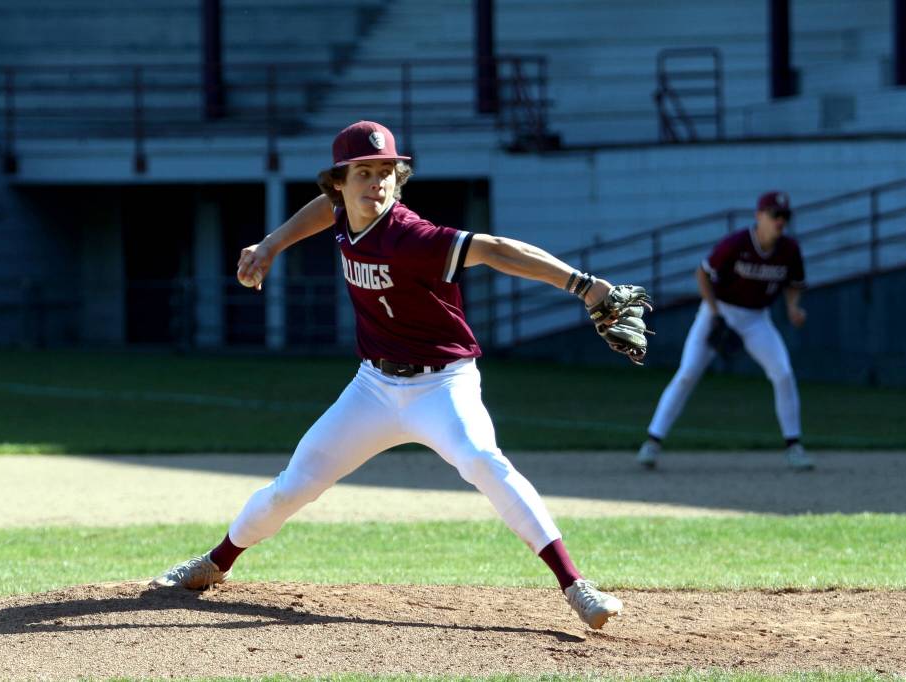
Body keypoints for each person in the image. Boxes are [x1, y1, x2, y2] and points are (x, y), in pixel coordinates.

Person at [150, 120, 634, 630]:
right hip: (373, 388)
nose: (377, 182)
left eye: (387, 171)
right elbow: (325, 212)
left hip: (443, 384)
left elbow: (492, 249)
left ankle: (575, 585)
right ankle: (216, 562)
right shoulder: (342, 212)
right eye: (364, 172)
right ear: (339, 181)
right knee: (292, 488)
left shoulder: (411, 236)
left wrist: (585, 286)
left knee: (483, 461)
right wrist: (271, 245)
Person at [636, 191, 814, 471]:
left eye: (784, 216)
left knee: (783, 373)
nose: (780, 220)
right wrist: (715, 314)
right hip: (719, 311)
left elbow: (795, 283)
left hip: (756, 319)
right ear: (759, 216)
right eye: (774, 214)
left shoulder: (789, 250)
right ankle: (652, 442)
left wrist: (793, 307)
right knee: (687, 374)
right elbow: (702, 274)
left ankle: (794, 446)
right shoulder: (737, 243)